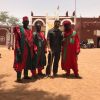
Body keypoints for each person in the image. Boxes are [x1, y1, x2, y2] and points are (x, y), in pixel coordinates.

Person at [13, 16, 36, 82]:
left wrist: (33, 49)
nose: (27, 22)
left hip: (29, 50)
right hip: (22, 49)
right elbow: (17, 40)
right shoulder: (20, 29)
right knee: (20, 63)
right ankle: (18, 78)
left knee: (27, 62)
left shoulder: (30, 30)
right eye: (25, 21)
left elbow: (32, 40)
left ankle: (25, 75)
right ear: (23, 22)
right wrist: (18, 49)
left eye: (27, 21)